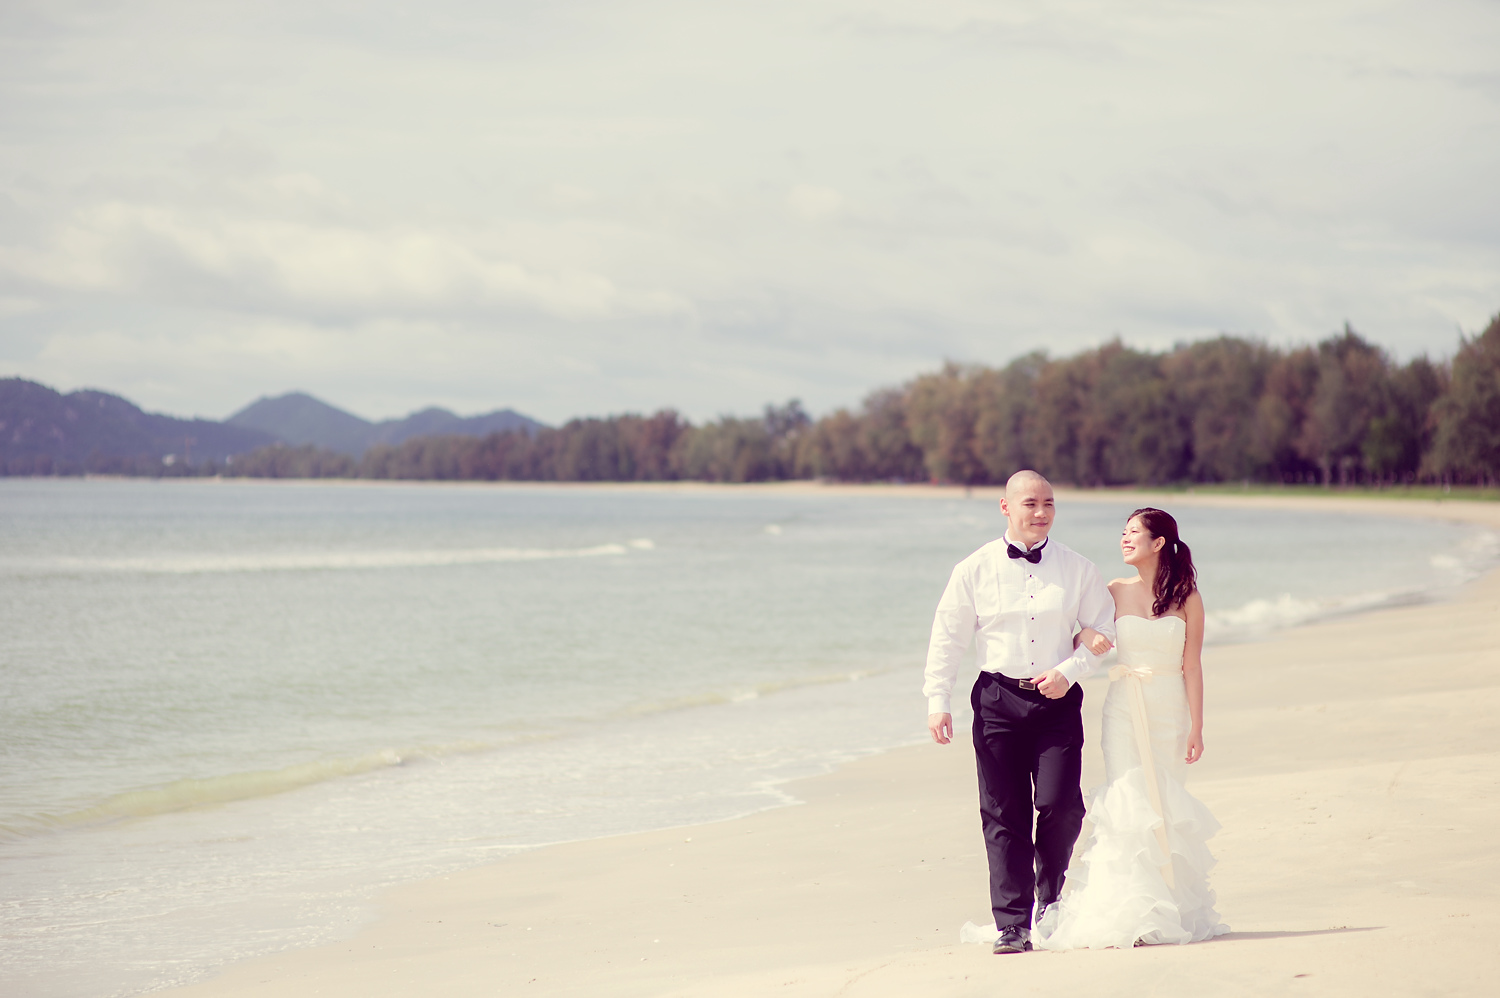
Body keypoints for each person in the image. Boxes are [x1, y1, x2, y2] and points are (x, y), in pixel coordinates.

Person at [924, 470, 1116, 954]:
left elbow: (1104, 630)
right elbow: (948, 637)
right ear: (1006, 507)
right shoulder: (973, 569)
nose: (1041, 512)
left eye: (1048, 503)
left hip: (1057, 701)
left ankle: (1049, 897)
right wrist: (937, 700)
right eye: (1030, 503)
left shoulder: (1078, 568)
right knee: (1002, 813)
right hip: (996, 701)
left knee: (1061, 804)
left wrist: (1069, 671)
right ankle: (1013, 924)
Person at [1032, 507, 1229, 950]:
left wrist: (1197, 726)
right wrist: (1087, 638)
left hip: (1169, 710)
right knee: (1126, 796)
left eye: (1133, 532)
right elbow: (1079, 635)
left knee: (1163, 802)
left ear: (1158, 543)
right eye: (1123, 531)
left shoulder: (1188, 597)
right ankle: (1127, 911)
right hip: (1123, 707)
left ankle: (1164, 908)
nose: (1124, 538)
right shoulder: (1113, 590)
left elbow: (1192, 666)